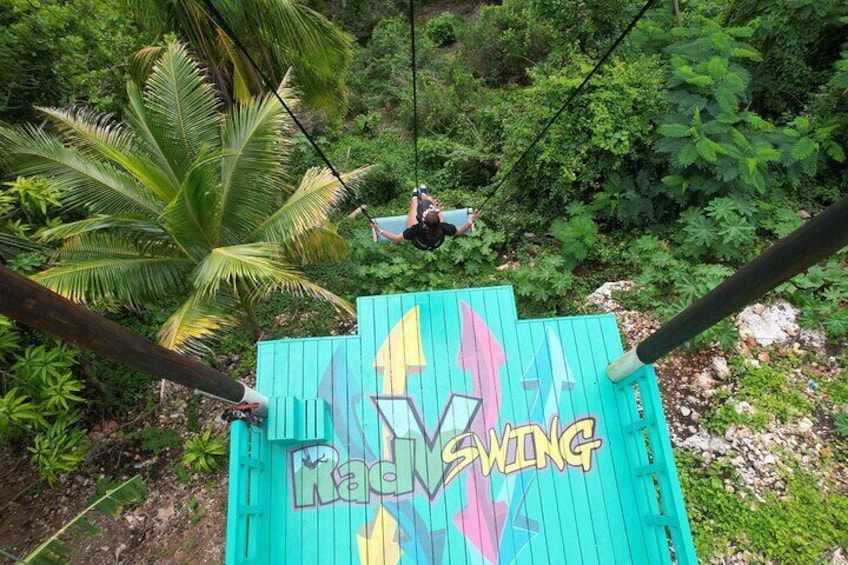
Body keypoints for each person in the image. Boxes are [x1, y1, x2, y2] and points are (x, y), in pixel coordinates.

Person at [373, 184, 477, 251]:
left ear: (421, 220)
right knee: (430, 201)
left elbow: (396, 238)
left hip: (420, 244)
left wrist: (380, 230)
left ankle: (415, 197)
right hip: (437, 243)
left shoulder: (416, 229)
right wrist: (470, 221)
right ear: (439, 219)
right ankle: (423, 195)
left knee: (414, 207)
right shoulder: (444, 227)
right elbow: (460, 230)